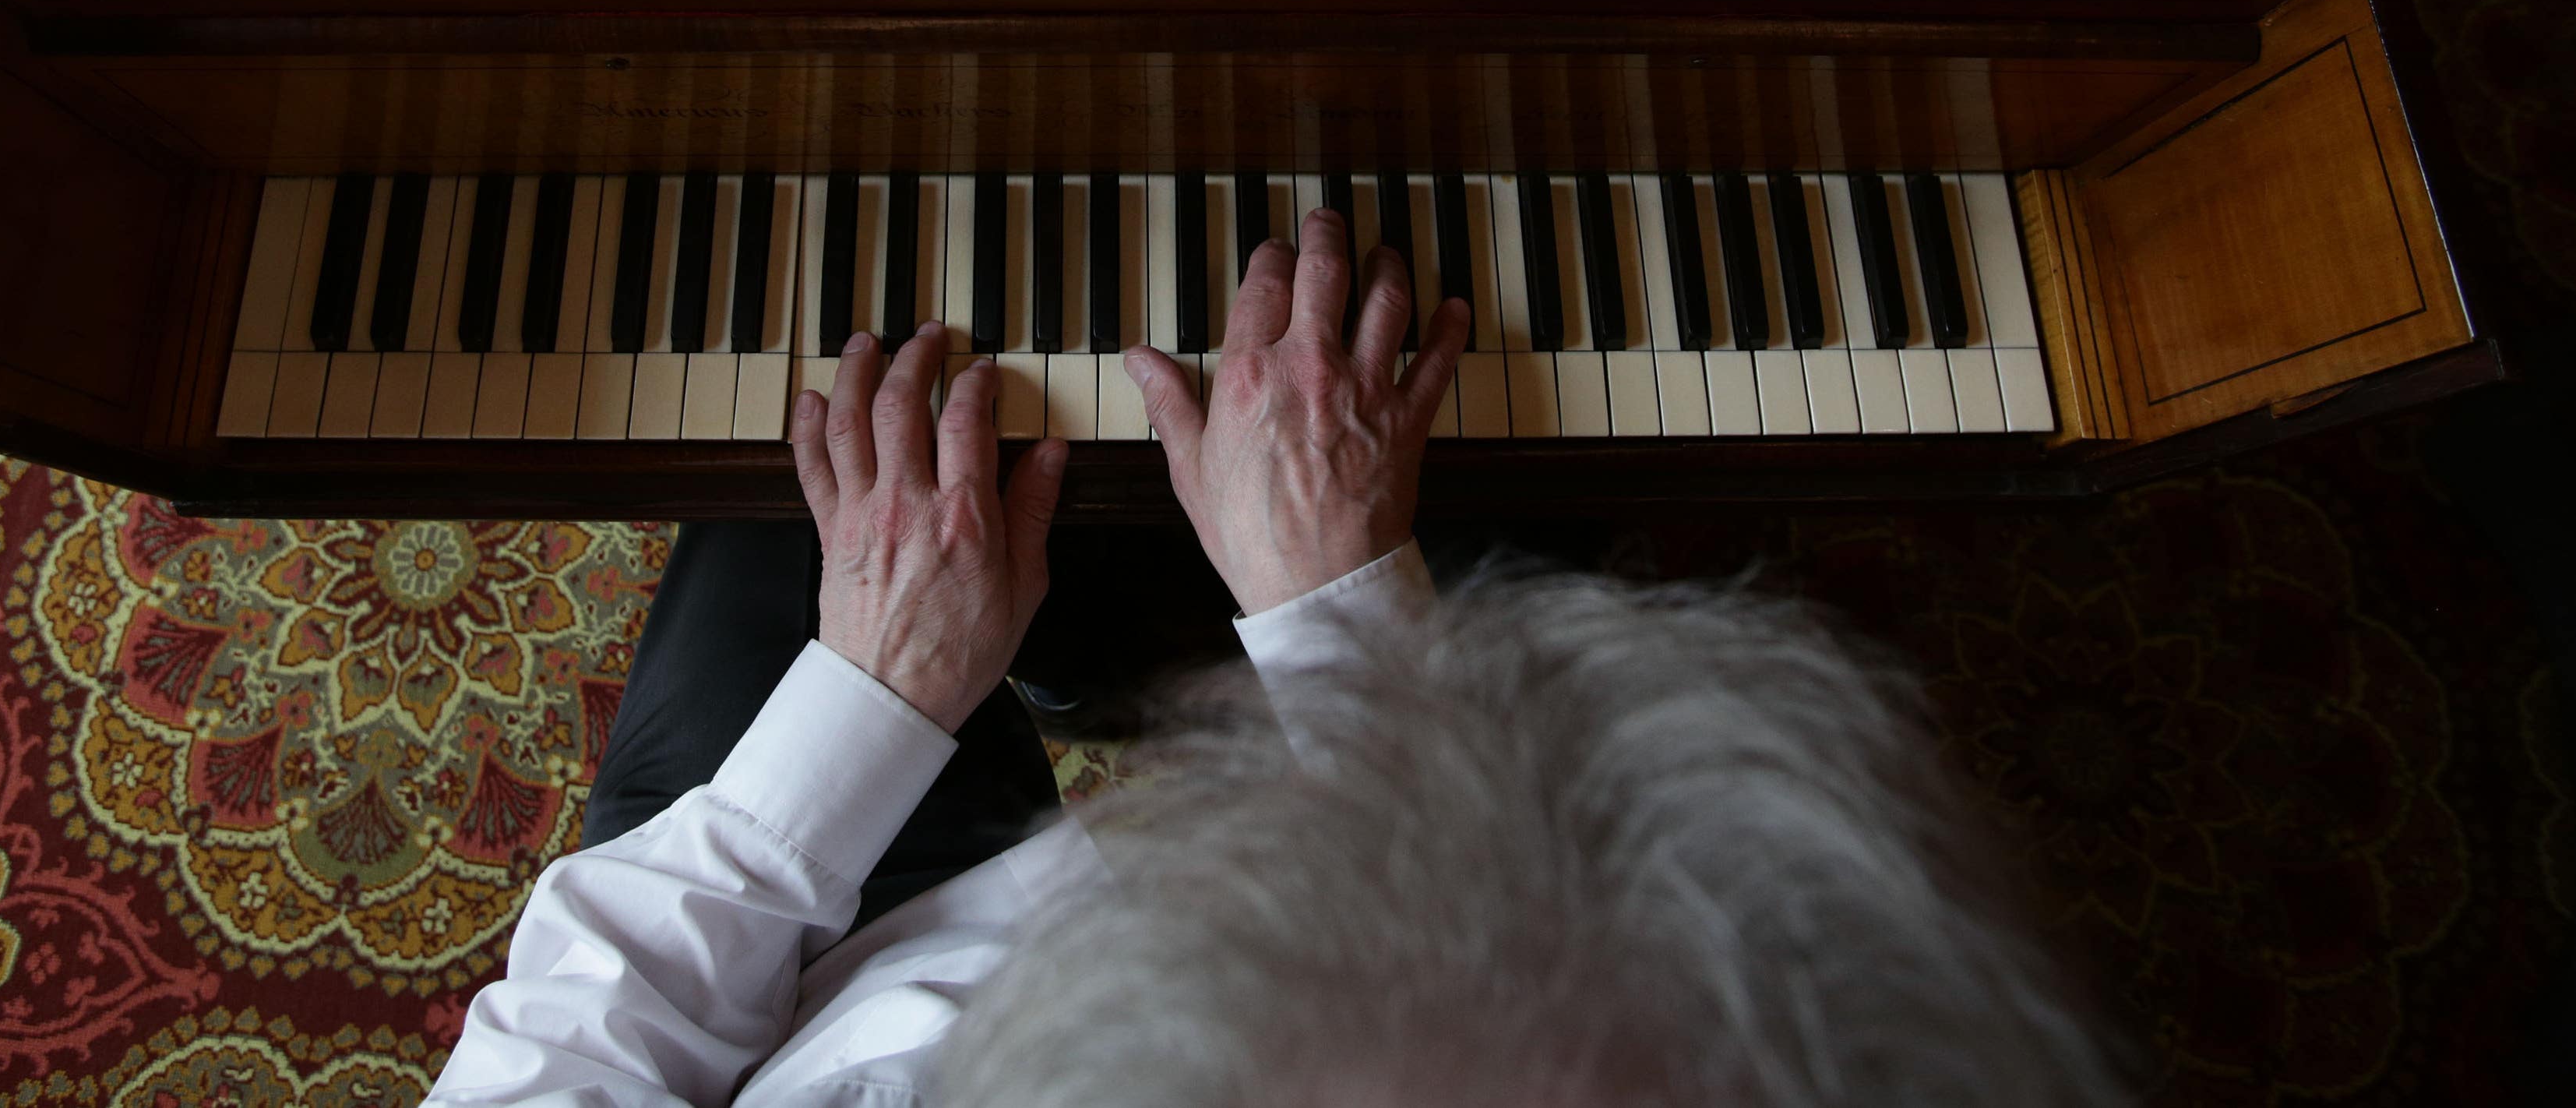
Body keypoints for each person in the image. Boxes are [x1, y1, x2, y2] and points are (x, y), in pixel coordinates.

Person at [425, 210, 2130, 1107]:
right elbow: (1618, 905)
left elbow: (577, 1061)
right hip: (1460, 906)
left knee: (827, 420)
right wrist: (1340, 607)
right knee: (1523, 451)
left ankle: (1048, 672)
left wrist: (872, 691)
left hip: (815, 977)